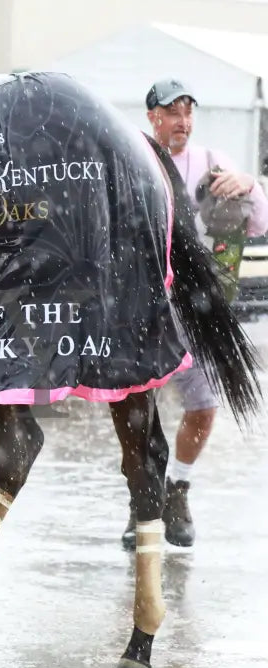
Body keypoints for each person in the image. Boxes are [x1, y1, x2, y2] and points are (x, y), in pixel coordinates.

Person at [122, 78, 268, 549]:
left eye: (188, 111)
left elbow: (260, 221)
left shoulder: (212, 164)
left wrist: (251, 184)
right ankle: (139, 502)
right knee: (135, 412)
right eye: (172, 111)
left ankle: (177, 490)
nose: (182, 120)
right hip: (144, 310)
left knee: (203, 408)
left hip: (199, 311)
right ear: (153, 118)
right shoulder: (134, 157)